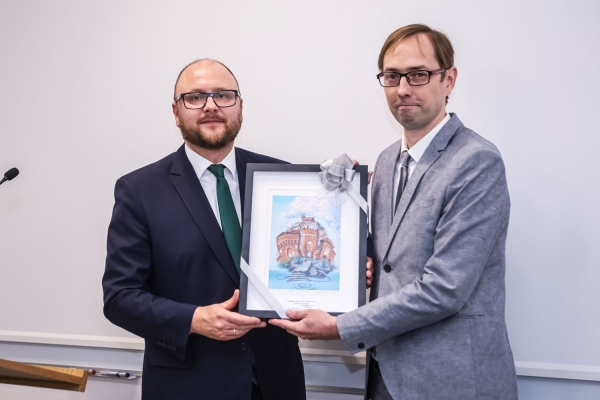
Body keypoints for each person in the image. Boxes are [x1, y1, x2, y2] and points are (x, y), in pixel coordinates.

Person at [270, 24, 518, 400]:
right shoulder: (386, 161)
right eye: (392, 76)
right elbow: (388, 260)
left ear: (449, 79)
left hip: (453, 382)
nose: (402, 88)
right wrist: (339, 206)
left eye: (418, 74)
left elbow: (444, 289)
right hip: (384, 374)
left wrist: (339, 327)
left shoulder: (477, 161)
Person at [102, 59, 305, 400]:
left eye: (223, 95)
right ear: (176, 111)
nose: (211, 106)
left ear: (240, 106)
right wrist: (193, 319)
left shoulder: (283, 178)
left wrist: (343, 200)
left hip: (277, 383)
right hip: (189, 385)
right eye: (195, 97)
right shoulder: (139, 190)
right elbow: (120, 297)